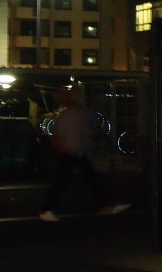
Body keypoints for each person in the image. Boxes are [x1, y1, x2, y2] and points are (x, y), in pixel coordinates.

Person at [39, 87, 130, 222]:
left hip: (76, 152)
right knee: (77, 181)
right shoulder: (69, 114)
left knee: (83, 180)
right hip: (73, 152)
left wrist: (63, 146)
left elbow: (58, 134)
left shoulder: (70, 113)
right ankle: (47, 210)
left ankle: (48, 210)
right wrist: (62, 147)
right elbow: (56, 134)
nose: (70, 97)